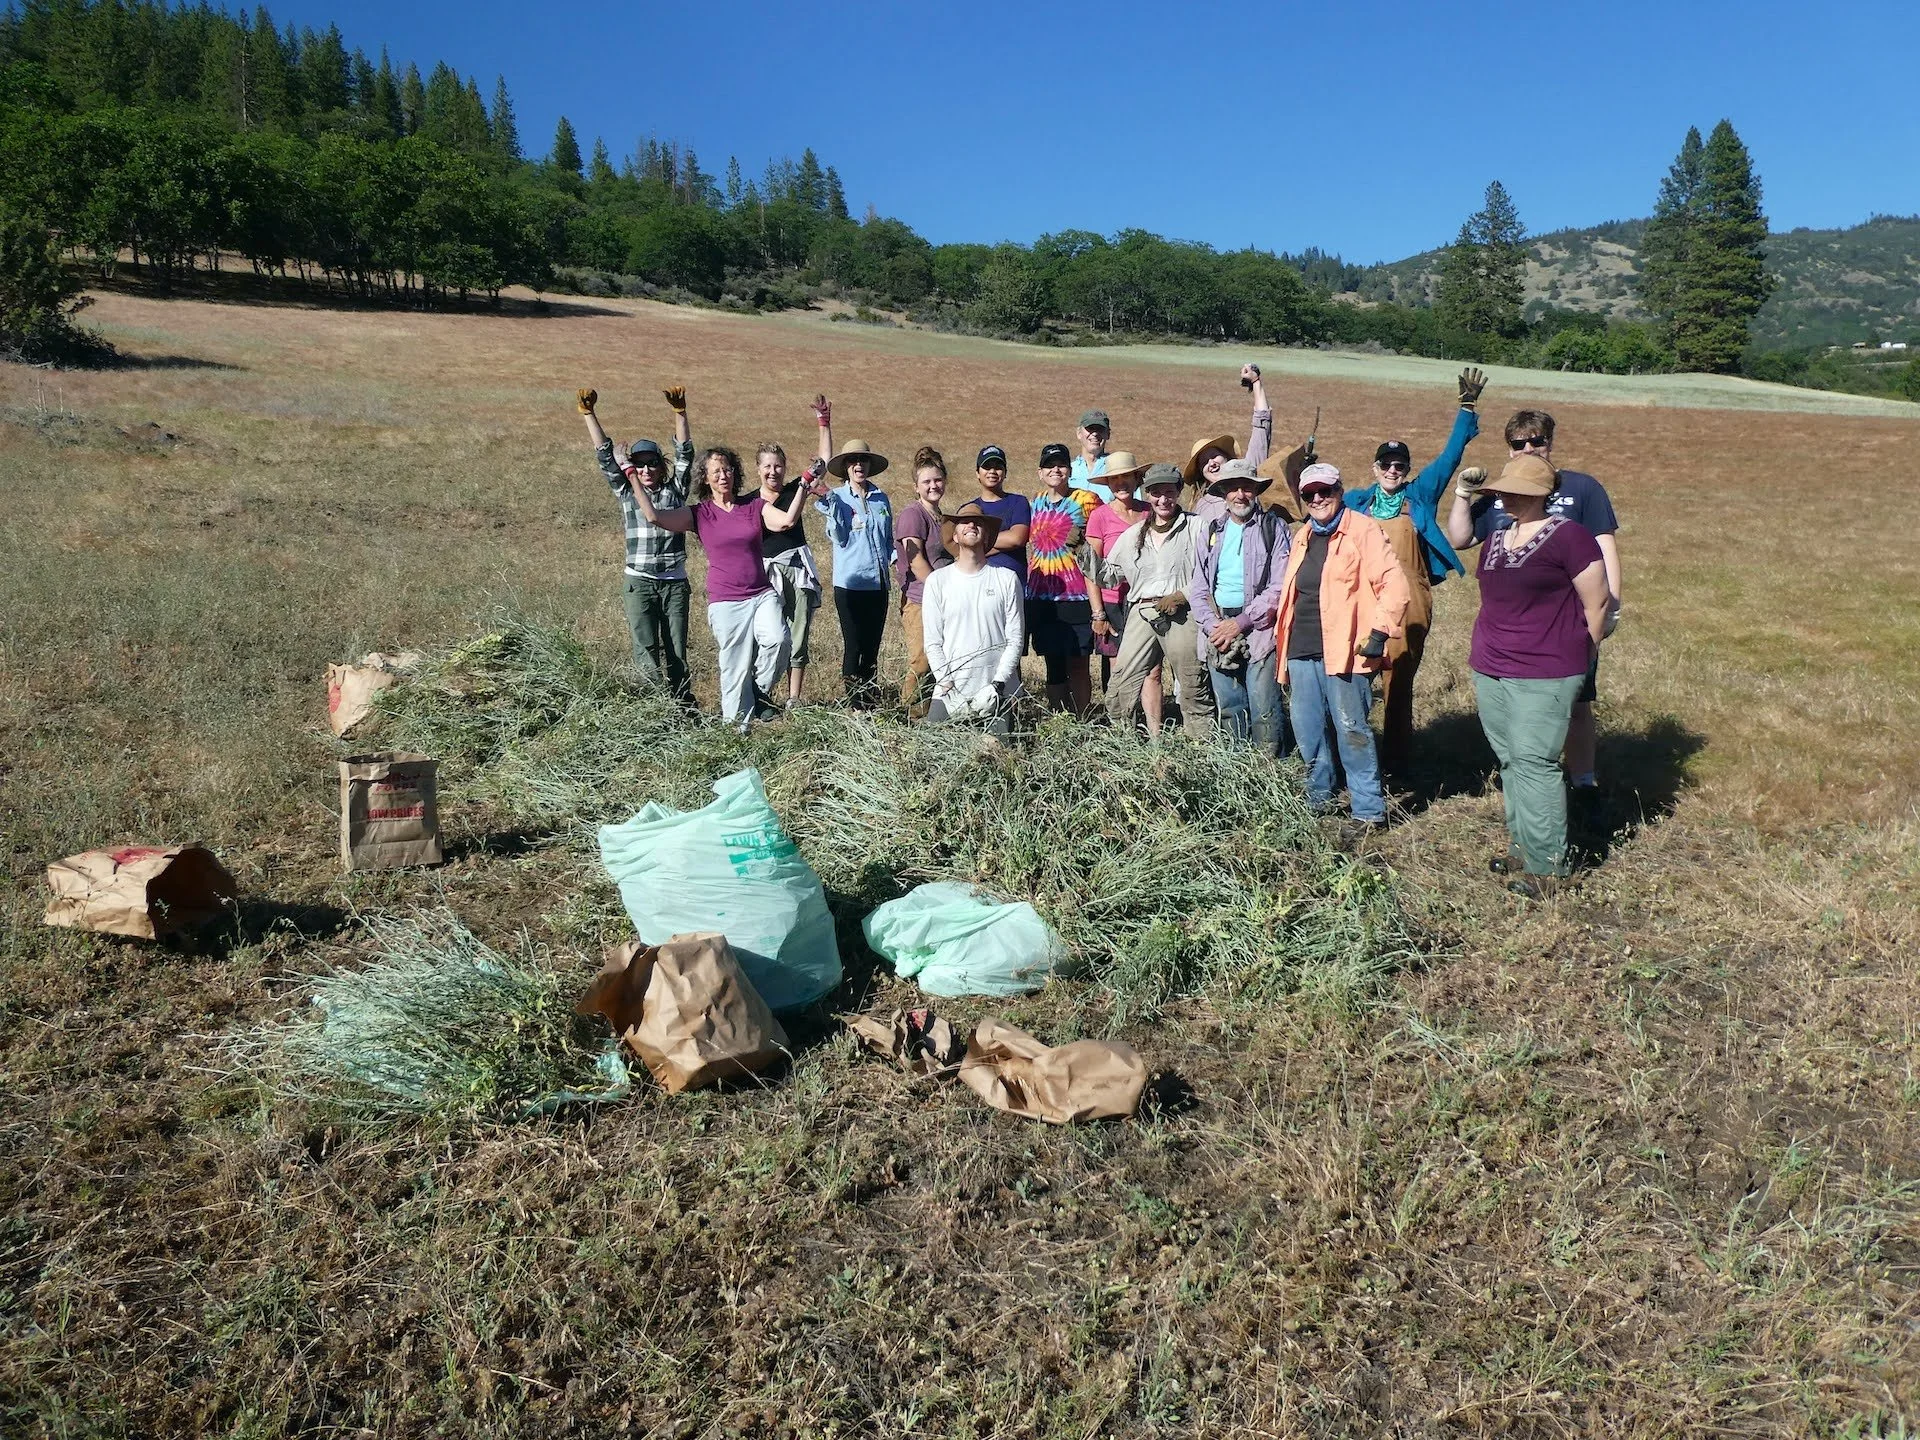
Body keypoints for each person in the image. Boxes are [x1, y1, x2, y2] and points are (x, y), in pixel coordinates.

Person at [1446, 407, 1622, 799]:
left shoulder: (1581, 488)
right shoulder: (1502, 494)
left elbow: (1604, 547)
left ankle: (1582, 781)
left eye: (1536, 441)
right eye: (1518, 443)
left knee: (1575, 702)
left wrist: (1611, 606)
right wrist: (1462, 495)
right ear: (1509, 448)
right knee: (1514, 707)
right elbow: (1460, 539)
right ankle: (1528, 775)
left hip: (1566, 622)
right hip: (1510, 627)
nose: (1527, 449)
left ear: (1550, 442)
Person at [1459, 454, 1611, 897]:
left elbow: (1597, 604)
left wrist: (1581, 654)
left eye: (1517, 491)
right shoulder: (1496, 537)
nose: (1506, 496)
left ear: (1542, 494)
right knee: (1510, 759)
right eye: (1504, 489)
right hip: (1491, 665)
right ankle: (1523, 846)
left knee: (1536, 762)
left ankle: (1549, 867)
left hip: (1547, 670)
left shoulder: (1572, 538)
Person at [1336, 366, 1488, 778]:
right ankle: (1355, 758)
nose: (1392, 471)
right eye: (1385, 464)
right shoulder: (1355, 501)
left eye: (1399, 465)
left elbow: (1451, 455)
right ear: (1374, 468)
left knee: (1399, 682)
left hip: (1410, 598)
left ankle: (1397, 761)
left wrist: (1467, 409)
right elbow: (1316, 501)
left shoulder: (1419, 495)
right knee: (1355, 677)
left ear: (1406, 469)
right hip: (1363, 599)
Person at [626, 437, 812, 730]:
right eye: (716, 472)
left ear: (735, 473)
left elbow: (787, 522)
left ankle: (759, 693)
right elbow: (654, 517)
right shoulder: (699, 514)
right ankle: (734, 732)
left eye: (727, 470)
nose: (723, 476)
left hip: (761, 593)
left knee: (779, 640)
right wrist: (632, 477)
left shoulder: (753, 507)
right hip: (726, 600)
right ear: (706, 478)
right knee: (733, 668)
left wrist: (804, 485)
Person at [1272, 463, 1410, 833]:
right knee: (1309, 730)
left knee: (1352, 730)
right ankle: (1318, 799)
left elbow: (1395, 585)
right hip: (1301, 646)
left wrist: (1379, 633)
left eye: (1325, 491)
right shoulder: (1303, 535)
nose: (1317, 499)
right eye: (1309, 494)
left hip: (1348, 649)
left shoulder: (1363, 530)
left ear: (1340, 491)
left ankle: (1368, 811)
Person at [577, 385, 695, 705]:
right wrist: (590, 414)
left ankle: (684, 708)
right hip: (639, 582)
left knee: (677, 652)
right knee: (645, 651)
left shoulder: (675, 491)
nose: (645, 470)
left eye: (651, 463)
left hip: (673, 584)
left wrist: (679, 412)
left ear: (660, 465)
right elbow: (605, 456)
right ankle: (654, 709)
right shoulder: (627, 492)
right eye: (639, 464)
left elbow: (685, 453)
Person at [1100, 464, 1215, 737]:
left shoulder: (1197, 526)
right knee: (1121, 682)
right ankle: (1123, 744)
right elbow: (1109, 576)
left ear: (1178, 493)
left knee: (1191, 682)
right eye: (1156, 493)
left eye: (1169, 492)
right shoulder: (1134, 534)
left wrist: (1181, 595)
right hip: (1142, 611)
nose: (1163, 499)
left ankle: (1201, 747)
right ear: (1147, 494)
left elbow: (1210, 571)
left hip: (1182, 612)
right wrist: (1081, 550)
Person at [1190, 459, 1290, 754]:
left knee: (1264, 707)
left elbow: (1280, 585)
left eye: (1246, 487)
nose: (1240, 495)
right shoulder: (1211, 531)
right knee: (1231, 707)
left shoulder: (1274, 528)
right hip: (1218, 629)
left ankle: (1270, 773)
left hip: (1260, 629)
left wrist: (1243, 622)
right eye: (1232, 488)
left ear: (1256, 490)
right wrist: (1213, 626)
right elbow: (1198, 585)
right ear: (1223, 493)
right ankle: (1239, 772)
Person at [922, 501, 1025, 736]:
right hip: (949, 695)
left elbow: (1015, 640)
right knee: (935, 761)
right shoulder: (938, 581)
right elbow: (933, 643)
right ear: (955, 536)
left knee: (999, 762)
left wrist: (997, 685)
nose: (971, 525)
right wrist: (947, 686)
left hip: (996, 693)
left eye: (978, 522)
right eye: (963, 522)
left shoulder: (1007, 579)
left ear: (987, 534)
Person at [756, 395, 834, 708]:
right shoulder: (750, 501)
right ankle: (762, 693)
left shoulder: (795, 490)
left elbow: (824, 463)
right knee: (770, 634)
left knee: (798, 632)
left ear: (785, 467)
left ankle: (793, 698)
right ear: (758, 469)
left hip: (798, 570)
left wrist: (824, 422)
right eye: (767, 466)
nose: (773, 471)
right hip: (765, 574)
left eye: (778, 466)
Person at [1025, 442, 1111, 715]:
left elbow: (1101, 543)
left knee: (1078, 663)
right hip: (1041, 596)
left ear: (1069, 470)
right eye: (1049, 465)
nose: (1056, 470)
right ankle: (1059, 718)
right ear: (1040, 472)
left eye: (1061, 464)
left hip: (1076, 594)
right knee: (1053, 664)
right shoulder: (1035, 502)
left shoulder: (1087, 500)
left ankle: (1082, 717)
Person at [816, 427, 895, 708]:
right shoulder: (835, 497)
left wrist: (899, 562)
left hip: (879, 584)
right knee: (854, 644)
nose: (859, 465)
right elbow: (839, 537)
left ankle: (870, 700)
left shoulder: (881, 498)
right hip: (849, 585)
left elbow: (887, 540)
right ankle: (853, 703)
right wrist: (832, 503)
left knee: (873, 647)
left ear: (870, 465)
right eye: (853, 461)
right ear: (845, 468)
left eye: (863, 460)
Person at [1083, 452, 1151, 707]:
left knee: (1151, 668)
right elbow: (1091, 568)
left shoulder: (1150, 513)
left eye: (1127, 477)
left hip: (1145, 600)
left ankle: (1148, 724)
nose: (1121, 483)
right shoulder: (1100, 516)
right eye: (1115, 479)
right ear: (1108, 484)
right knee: (1118, 666)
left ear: (1137, 479)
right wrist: (1098, 613)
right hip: (1112, 602)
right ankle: (1122, 724)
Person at [894, 445, 953, 715]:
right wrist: (941, 592)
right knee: (921, 660)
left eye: (937, 480)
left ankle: (936, 713)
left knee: (942, 660)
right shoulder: (912, 515)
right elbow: (917, 562)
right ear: (916, 486)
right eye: (926, 481)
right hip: (920, 599)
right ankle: (911, 715)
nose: (933, 486)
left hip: (943, 598)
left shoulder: (942, 517)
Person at [1181, 364, 1276, 528]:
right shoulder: (1201, 507)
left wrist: (1256, 382)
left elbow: (1262, 426)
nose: (1211, 463)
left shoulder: (1248, 476)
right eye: (1204, 461)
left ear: (1227, 457)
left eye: (1214, 455)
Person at [971, 444, 1033, 588]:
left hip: (1015, 586)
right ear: (977, 473)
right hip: (979, 586)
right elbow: (961, 548)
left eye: (998, 466)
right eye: (987, 467)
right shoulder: (970, 509)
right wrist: (1002, 542)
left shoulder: (1018, 502)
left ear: (1005, 472)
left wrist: (978, 546)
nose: (992, 471)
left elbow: (1017, 538)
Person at [1071, 408, 1117, 502]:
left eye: (1100, 429)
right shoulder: (1067, 471)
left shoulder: (1118, 469)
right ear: (1079, 433)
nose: (1095, 434)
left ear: (1108, 434)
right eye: (1090, 428)